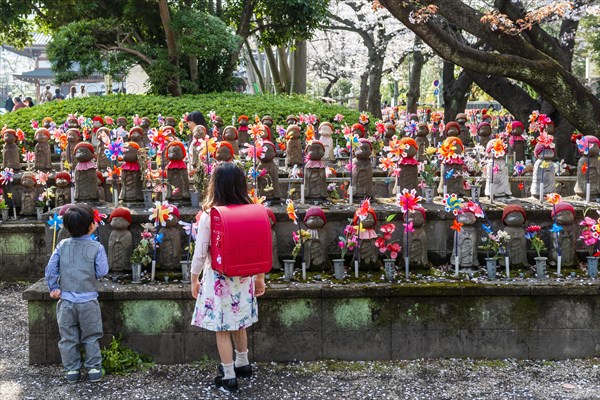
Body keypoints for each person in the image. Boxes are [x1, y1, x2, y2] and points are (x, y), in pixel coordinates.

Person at [190, 162, 266, 394]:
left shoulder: (210, 216)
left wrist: (194, 278)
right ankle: (243, 362)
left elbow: (201, 252)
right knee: (240, 322)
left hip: (218, 279)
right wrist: (260, 278)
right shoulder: (253, 212)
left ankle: (229, 375)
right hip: (245, 279)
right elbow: (260, 247)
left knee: (222, 328)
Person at [44, 204, 108, 383]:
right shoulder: (96, 247)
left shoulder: (62, 245)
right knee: (91, 336)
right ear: (91, 226)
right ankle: (94, 369)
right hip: (88, 300)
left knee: (68, 337)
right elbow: (102, 271)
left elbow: (50, 270)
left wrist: (54, 288)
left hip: (66, 302)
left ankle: (72, 371)